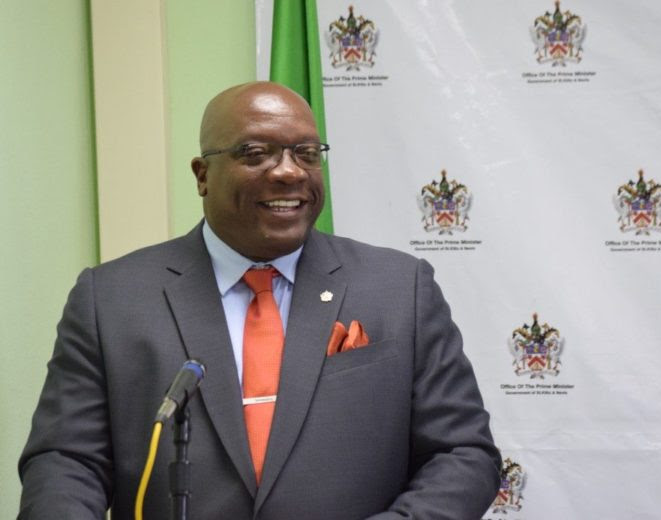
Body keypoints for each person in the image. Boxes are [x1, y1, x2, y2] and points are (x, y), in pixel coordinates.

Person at [18, 82, 500, 519]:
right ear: (202, 175)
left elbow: (461, 454)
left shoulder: (399, 287)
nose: (289, 172)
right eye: (256, 153)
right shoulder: (112, 299)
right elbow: (65, 463)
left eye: (306, 153)